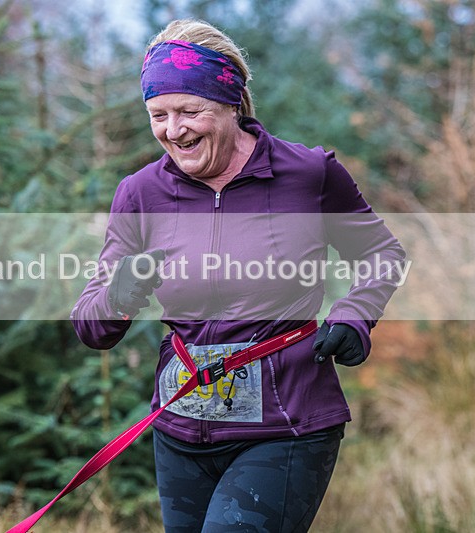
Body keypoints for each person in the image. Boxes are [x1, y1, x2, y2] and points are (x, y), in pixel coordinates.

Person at [71, 19, 405, 533]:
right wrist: (120, 293)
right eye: (158, 115)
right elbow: (91, 327)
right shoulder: (140, 194)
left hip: (286, 423)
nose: (173, 130)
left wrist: (355, 314)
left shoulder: (308, 175)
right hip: (180, 427)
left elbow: (382, 254)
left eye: (190, 111)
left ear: (232, 103)